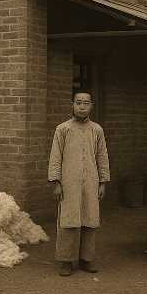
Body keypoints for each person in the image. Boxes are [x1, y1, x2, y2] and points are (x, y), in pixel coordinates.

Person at [48, 91, 110, 276]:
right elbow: (55, 157)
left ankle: (86, 259)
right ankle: (66, 260)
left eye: (86, 103)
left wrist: (102, 182)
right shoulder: (63, 129)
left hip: (91, 181)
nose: (82, 106)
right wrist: (56, 182)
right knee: (69, 220)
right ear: (72, 105)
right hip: (69, 182)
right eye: (78, 103)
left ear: (91, 106)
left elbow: (102, 157)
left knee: (90, 220)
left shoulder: (96, 130)